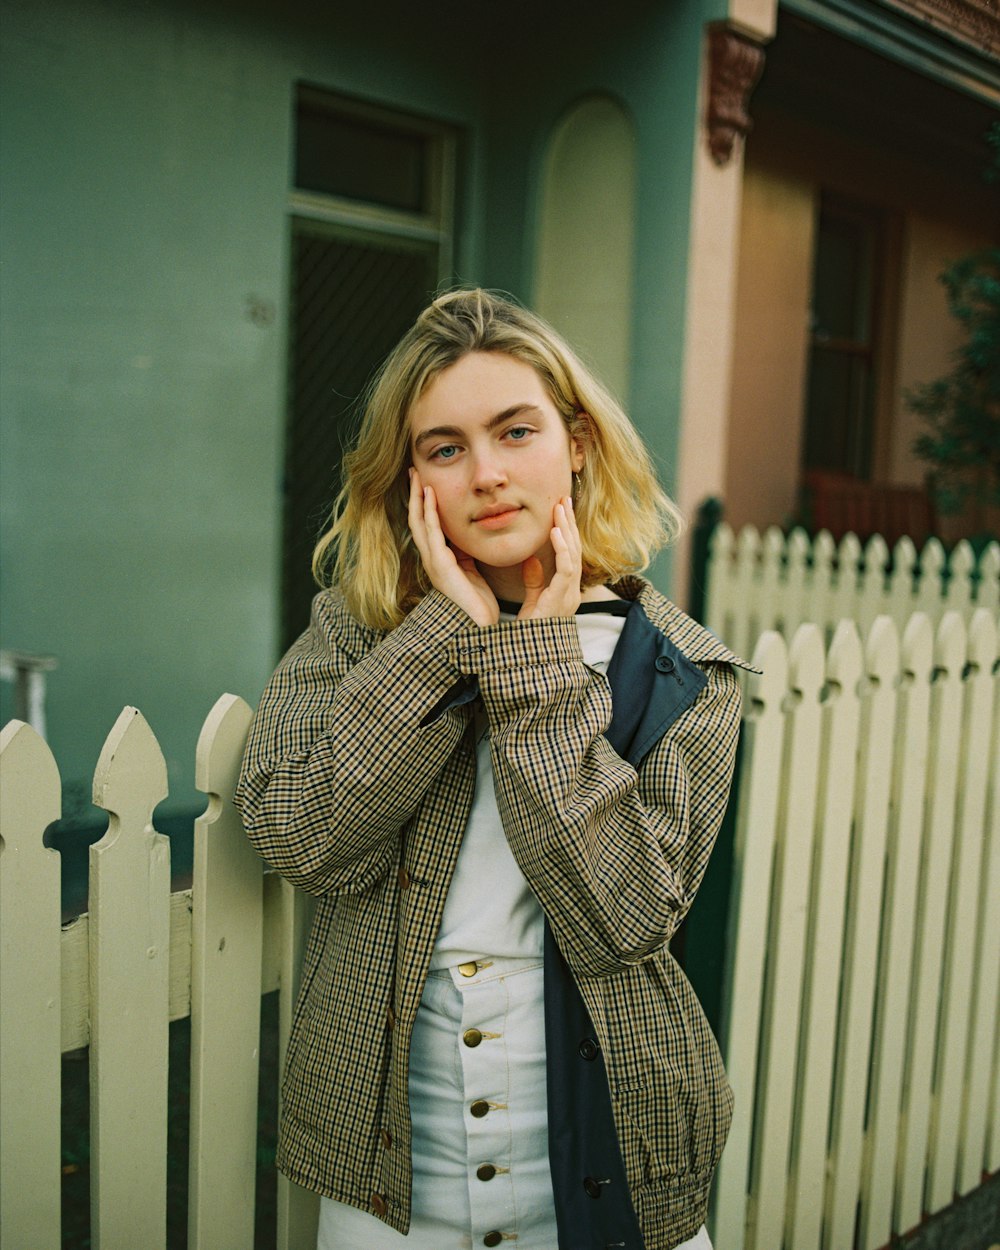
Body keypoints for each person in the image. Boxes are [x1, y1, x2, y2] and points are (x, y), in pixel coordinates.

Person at [235, 288, 750, 1250]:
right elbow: (296, 834)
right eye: (445, 447)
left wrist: (532, 671)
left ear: (580, 441)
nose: (487, 475)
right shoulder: (356, 638)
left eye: (516, 431)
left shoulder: (681, 672)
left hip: (608, 1145)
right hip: (390, 1159)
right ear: (410, 478)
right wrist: (441, 637)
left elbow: (621, 919)